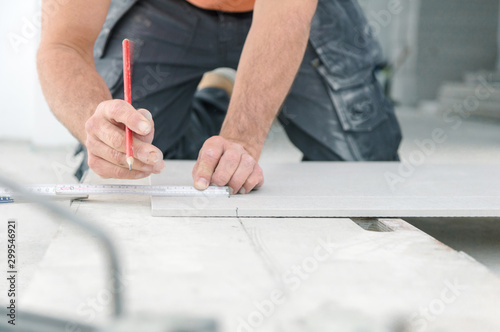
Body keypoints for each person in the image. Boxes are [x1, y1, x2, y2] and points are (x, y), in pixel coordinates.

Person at [37, 0, 402, 195]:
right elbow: (63, 43)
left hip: (291, 9)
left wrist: (242, 139)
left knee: (367, 173)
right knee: (124, 163)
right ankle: (212, 104)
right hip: (160, 10)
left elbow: (285, 15)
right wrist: (96, 120)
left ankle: (219, 112)